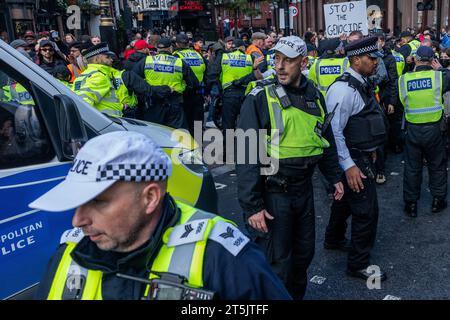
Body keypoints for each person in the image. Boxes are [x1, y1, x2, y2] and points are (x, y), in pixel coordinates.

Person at [29, 131, 292, 300]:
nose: (78, 221)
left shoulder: (219, 255)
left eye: (98, 202)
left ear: (150, 198)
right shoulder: (68, 252)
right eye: (77, 203)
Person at [236, 36, 343, 299]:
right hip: (273, 194)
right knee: (277, 264)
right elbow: (246, 151)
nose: (280, 66)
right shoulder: (259, 96)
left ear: (304, 62)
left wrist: (334, 177)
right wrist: (252, 206)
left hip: (303, 191)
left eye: (288, 60)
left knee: (303, 256)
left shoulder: (315, 95)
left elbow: (324, 138)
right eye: (276, 59)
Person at [324, 36, 388, 282]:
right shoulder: (343, 89)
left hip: (358, 155)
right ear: (356, 59)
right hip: (352, 159)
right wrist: (349, 165)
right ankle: (358, 264)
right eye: (371, 58)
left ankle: (334, 238)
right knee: (366, 210)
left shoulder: (360, 82)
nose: (375, 62)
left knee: (346, 202)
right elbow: (334, 132)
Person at [399, 46, 450, 217]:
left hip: (412, 129)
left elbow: (401, 101)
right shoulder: (438, 77)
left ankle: (411, 205)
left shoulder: (404, 79)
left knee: (412, 168)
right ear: (432, 60)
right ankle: (438, 201)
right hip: (435, 129)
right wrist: (441, 68)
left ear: (415, 59)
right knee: (437, 166)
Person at [134, 37, 199, 129]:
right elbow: (194, 83)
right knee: (178, 135)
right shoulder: (179, 62)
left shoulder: (147, 61)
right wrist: (183, 88)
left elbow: (134, 79)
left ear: (157, 49)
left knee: (155, 133)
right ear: (170, 48)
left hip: (153, 102)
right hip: (174, 102)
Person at [173, 33, 207, 135]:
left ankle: (188, 148)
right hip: (198, 93)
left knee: (185, 124)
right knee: (197, 124)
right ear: (188, 43)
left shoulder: (176, 55)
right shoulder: (197, 54)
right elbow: (206, 72)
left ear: (177, 44)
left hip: (184, 95)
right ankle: (198, 147)